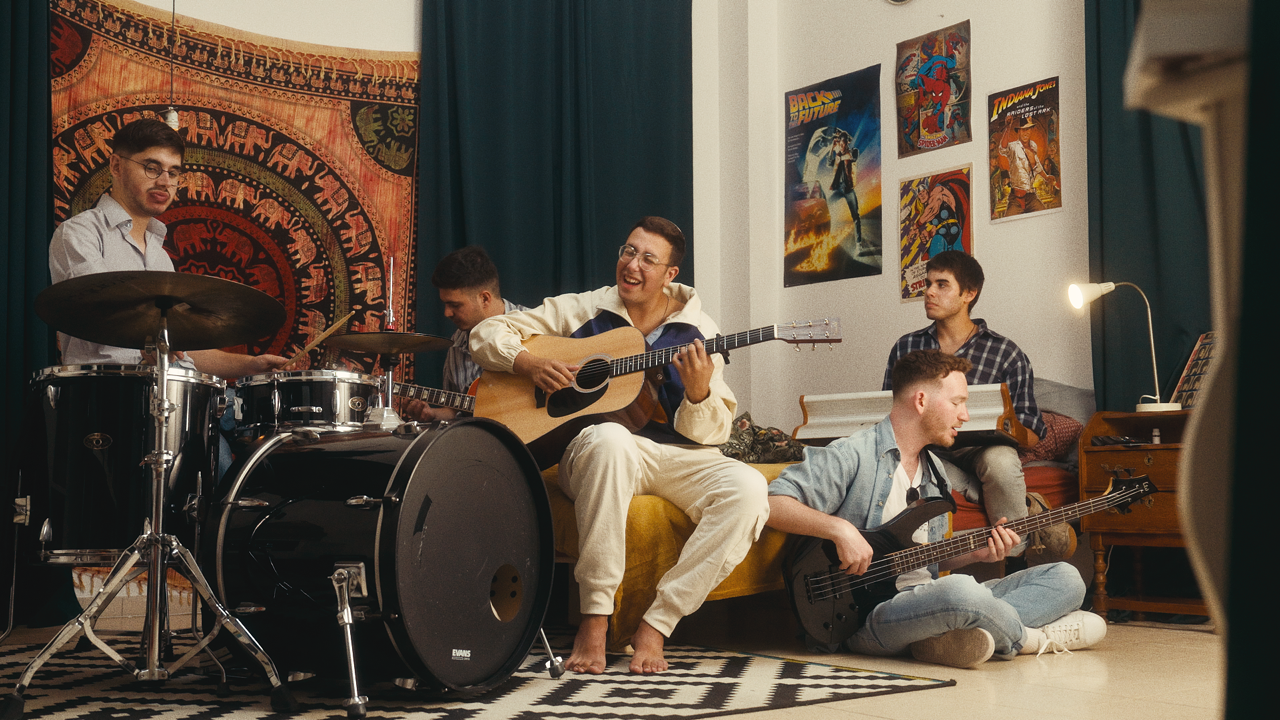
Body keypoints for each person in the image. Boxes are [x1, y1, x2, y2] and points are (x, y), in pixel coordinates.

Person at [469, 216, 769, 674]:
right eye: (629, 251)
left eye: (648, 259)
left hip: (675, 456)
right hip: (597, 450)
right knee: (612, 439)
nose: (632, 265)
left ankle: (657, 624)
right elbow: (484, 334)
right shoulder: (583, 309)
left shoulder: (700, 330)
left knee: (749, 489)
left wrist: (699, 394)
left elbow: (712, 435)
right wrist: (528, 364)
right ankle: (595, 618)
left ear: (670, 274)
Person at [767, 349, 1105, 668]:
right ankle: (1030, 639)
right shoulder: (853, 454)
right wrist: (840, 530)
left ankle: (949, 637)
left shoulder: (936, 472)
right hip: (864, 616)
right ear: (921, 401)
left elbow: (926, 560)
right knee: (959, 592)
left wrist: (977, 554)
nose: (965, 415)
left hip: (926, 599)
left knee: (1066, 578)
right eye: (957, 402)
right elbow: (773, 503)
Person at [48, 117, 287, 379]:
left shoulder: (159, 254)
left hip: (172, 389)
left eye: (173, 173)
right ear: (116, 166)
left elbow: (182, 351)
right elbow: (103, 316)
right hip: (109, 390)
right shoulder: (81, 233)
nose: (165, 182)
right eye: (152, 168)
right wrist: (149, 349)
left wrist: (250, 365)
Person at [882, 250, 1072, 562]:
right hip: (929, 447)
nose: (929, 292)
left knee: (1000, 461)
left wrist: (1001, 423)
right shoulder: (907, 347)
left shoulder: (1006, 354)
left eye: (942, 285)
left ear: (969, 294)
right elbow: (890, 412)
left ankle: (1015, 555)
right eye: (927, 284)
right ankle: (1024, 505)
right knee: (901, 460)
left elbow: (1032, 434)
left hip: (981, 450)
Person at [399, 245, 527, 421]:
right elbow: (455, 410)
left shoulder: (536, 326)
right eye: (445, 304)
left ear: (484, 298)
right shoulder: (457, 342)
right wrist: (431, 414)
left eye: (455, 305)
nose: (447, 313)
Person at [997, 117, 1054, 217]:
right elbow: (1003, 148)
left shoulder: (1033, 146)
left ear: (1031, 130)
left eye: (1028, 129)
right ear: (1019, 131)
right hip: (1016, 199)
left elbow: (1036, 165)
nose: (1026, 133)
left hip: (1031, 196)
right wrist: (1008, 127)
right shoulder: (1013, 147)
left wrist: (1046, 177)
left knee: (1045, 217)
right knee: (1009, 222)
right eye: (1023, 130)